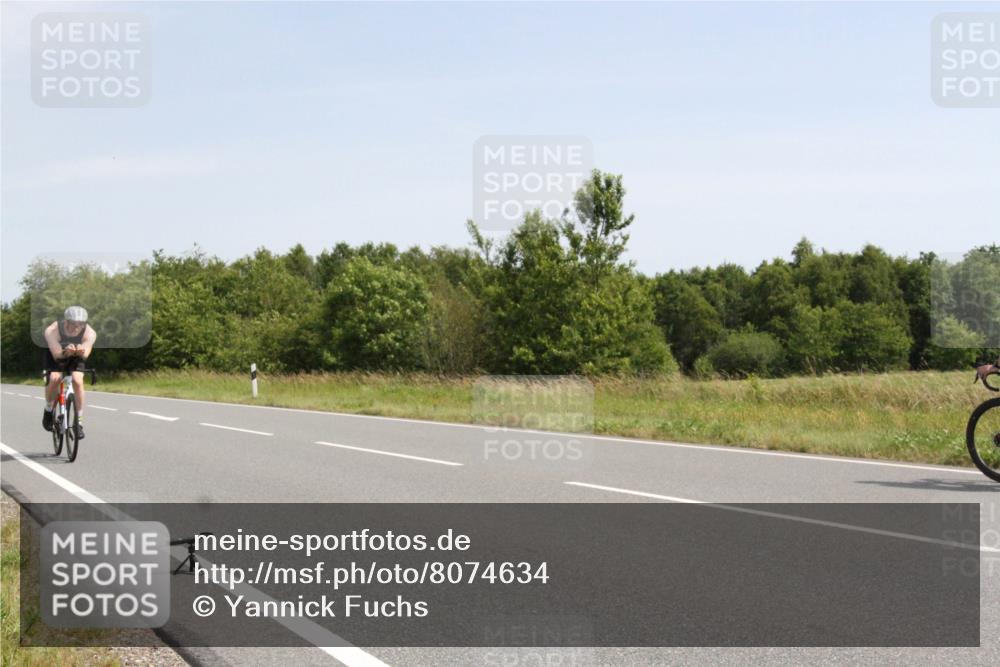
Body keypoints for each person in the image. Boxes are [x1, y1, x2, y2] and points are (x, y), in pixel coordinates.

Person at [42, 306, 97, 439]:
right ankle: (49, 410)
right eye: (73, 324)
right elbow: (56, 355)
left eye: (81, 324)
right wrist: (65, 351)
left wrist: (80, 351)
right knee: (55, 378)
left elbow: (85, 354)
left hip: (76, 355)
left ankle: (78, 423)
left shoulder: (90, 333)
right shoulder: (52, 330)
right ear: (66, 321)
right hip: (57, 354)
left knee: (78, 380)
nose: (77, 327)